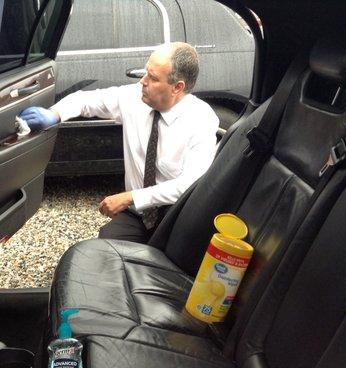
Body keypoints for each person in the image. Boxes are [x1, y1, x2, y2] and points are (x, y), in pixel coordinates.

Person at [19, 42, 219, 243]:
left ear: (177, 87)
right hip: (139, 214)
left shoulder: (200, 120)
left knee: (174, 264)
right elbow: (86, 100)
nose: (143, 81)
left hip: (177, 215)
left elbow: (189, 184)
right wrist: (55, 114)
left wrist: (129, 197)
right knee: (106, 249)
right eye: (145, 72)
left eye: (153, 77)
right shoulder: (134, 98)